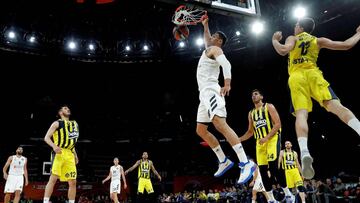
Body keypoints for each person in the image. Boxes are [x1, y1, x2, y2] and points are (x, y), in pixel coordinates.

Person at [272, 18, 360, 179]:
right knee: (337, 106)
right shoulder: (318, 40)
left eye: (295, 25)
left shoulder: (293, 38)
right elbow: (346, 44)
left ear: (299, 27)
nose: (294, 27)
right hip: (314, 74)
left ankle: (304, 151)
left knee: (301, 114)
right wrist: (359, 34)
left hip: (297, 77)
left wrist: (274, 40)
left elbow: (283, 50)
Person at [196, 14, 255, 185]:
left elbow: (227, 65)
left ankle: (246, 162)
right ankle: (223, 160)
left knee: (220, 124)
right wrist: (205, 25)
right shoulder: (209, 49)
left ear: (219, 41)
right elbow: (207, 40)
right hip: (204, 96)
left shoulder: (216, 50)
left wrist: (227, 83)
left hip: (213, 91)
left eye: (214, 36)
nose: (210, 38)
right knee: (201, 130)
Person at [239, 89, 292, 201]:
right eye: (252, 95)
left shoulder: (269, 107)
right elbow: (250, 132)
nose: (253, 96)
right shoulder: (251, 113)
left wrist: (267, 137)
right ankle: (271, 199)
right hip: (260, 143)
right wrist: (238, 140)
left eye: (256, 94)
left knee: (273, 168)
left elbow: (278, 124)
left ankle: (288, 193)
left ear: (261, 96)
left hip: (272, 139)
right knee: (262, 171)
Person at [43, 105, 79, 203]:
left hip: (70, 154)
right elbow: (46, 137)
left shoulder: (74, 124)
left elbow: (71, 141)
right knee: (53, 178)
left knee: (73, 181)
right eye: (65, 108)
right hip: (59, 152)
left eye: (68, 108)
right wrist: (54, 146)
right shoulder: (56, 123)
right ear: (60, 112)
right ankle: (46, 201)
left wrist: (75, 154)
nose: (68, 109)